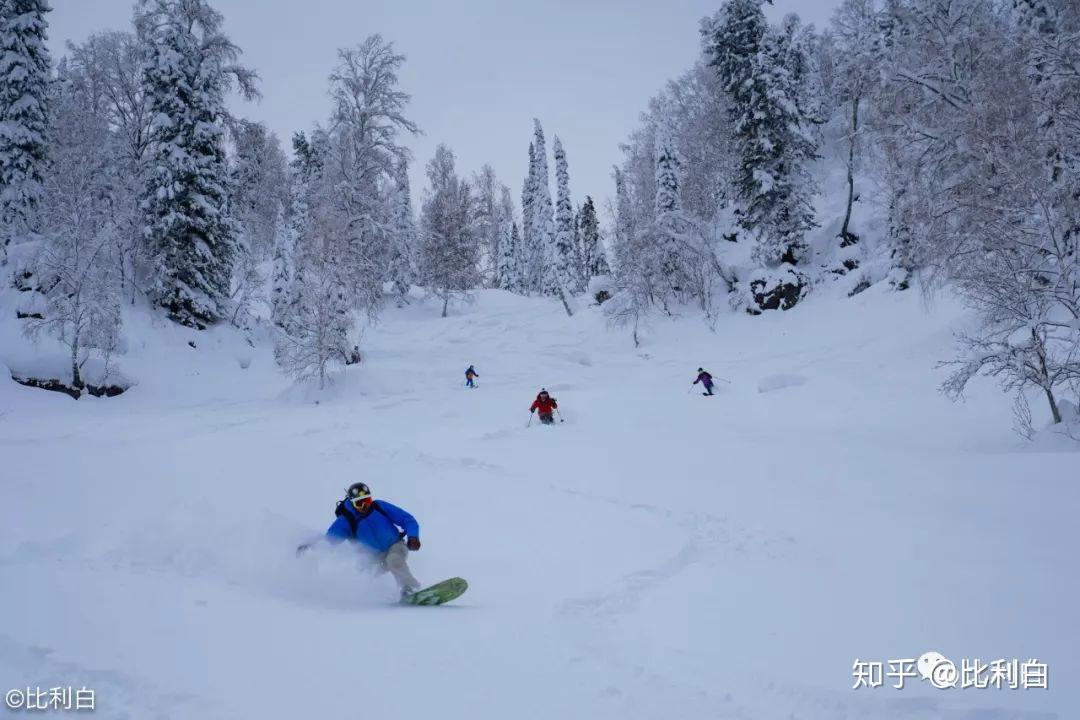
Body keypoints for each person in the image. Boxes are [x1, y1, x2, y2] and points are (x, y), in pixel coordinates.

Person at [298, 482, 422, 598]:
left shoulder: (379, 507)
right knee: (362, 575)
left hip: (395, 545)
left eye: (367, 501)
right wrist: (313, 547)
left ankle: (411, 589)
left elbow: (406, 519)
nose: (365, 506)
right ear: (352, 503)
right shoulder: (346, 520)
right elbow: (330, 540)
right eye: (359, 503)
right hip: (374, 558)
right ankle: (377, 598)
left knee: (394, 560)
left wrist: (413, 536)